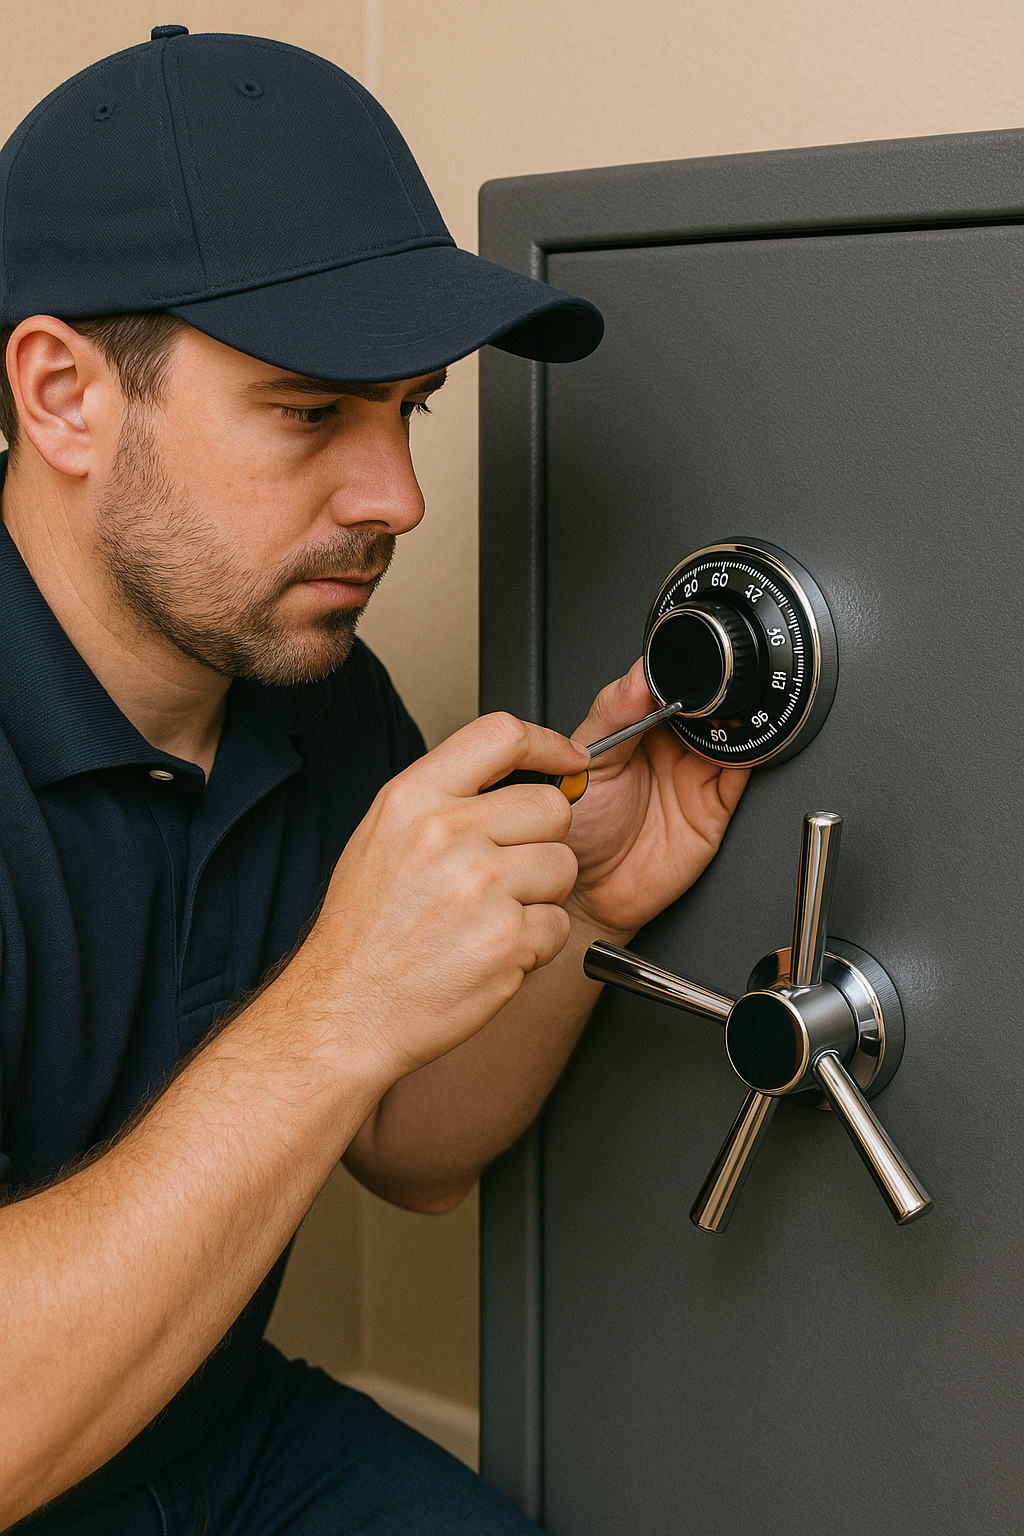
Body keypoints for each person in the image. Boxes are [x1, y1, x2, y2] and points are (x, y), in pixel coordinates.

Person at [0, 25, 748, 1535]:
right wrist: (334, 1005)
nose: (394, 498)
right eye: (307, 412)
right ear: (65, 395)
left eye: (408, 408)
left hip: (210, 1431)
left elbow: (413, 1149)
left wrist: (582, 892)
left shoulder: (304, 682)